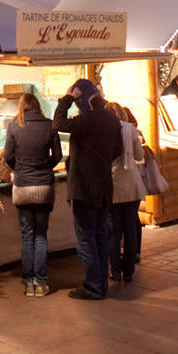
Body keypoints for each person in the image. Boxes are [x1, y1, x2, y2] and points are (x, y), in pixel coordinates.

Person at [52, 78, 123, 300]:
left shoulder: (86, 120)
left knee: (86, 238)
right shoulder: (111, 119)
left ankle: (93, 287)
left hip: (84, 188)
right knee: (100, 235)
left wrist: (66, 99)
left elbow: (57, 123)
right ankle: (101, 285)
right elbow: (118, 150)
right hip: (104, 187)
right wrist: (100, 162)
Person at [1, 92, 62, 297]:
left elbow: (7, 156)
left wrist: (19, 169)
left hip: (23, 187)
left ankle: (28, 282)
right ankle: (41, 282)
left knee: (27, 235)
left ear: (21, 107)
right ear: (37, 106)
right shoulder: (49, 126)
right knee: (41, 235)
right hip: (44, 187)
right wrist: (45, 167)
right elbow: (58, 155)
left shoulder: (14, 127)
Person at [108, 104, 146, 284]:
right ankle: (129, 271)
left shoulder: (105, 130)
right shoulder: (131, 130)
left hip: (113, 185)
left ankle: (115, 270)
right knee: (130, 229)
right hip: (132, 185)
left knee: (114, 231)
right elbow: (139, 155)